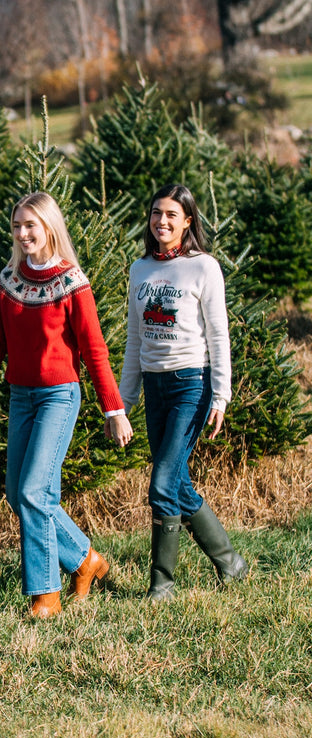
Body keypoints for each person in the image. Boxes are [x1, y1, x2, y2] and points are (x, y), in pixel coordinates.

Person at [0, 192, 132, 618]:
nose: (22, 233)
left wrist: (114, 408)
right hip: (21, 396)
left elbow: (94, 349)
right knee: (18, 494)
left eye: (30, 225)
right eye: (17, 226)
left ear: (49, 227)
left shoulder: (72, 282)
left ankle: (45, 593)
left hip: (59, 396)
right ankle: (87, 560)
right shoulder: (8, 280)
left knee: (34, 490)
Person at [116, 183, 248, 600]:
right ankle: (231, 563)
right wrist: (123, 402)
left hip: (192, 383)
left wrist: (221, 394)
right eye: (156, 213)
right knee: (178, 484)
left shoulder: (203, 267)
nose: (162, 221)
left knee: (161, 485)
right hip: (154, 387)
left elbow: (219, 334)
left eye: (172, 214)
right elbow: (135, 337)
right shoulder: (140, 269)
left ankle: (162, 584)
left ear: (188, 221)